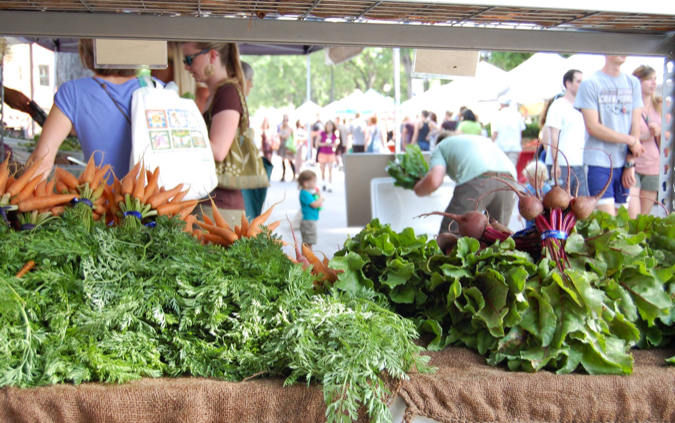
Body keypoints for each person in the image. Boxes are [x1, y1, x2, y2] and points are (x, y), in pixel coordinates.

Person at [28, 39, 163, 179]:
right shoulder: (158, 89)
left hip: (99, 199)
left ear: (87, 52)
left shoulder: (72, 93)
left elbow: (42, 161)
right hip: (155, 199)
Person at [181, 41, 247, 226]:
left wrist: (182, 126)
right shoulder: (216, 93)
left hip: (220, 207)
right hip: (211, 203)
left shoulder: (227, 92)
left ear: (212, 56)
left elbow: (218, 150)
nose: (186, 67)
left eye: (189, 59)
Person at [574, 55, 644, 216]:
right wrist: (630, 140)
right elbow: (592, 127)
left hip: (624, 163)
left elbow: (636, 124)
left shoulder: (633, 83)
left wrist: (630, 163)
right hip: (598, 162)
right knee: (607, 223)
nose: (622, 51)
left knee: (623, 223)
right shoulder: (590, 83)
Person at [414, 134, 517, 235]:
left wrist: (418, 189)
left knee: (452, 233)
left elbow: (434, 181)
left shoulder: (440, 147)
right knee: (498, 237)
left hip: (479, 178)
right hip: (509, 180)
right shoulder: (473, 139)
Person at [544, 69, 588, 197]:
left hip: (578, 165)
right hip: (561, 166)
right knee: (559, 207)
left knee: (580, 206)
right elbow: (553, 136)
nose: (582, 85)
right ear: (568, 83)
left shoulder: (582, 107)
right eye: (578, 81)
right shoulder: (558, 106)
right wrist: (555, 164)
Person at [628, 65, 662, 218]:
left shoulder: (660, 106)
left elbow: (668, 138)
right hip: (633, 164)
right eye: (649, 79)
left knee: (644, 217)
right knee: (632, 216)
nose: (653, 83)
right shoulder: (629, 106)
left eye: (655, 79)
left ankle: (642, 242)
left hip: (653, 165)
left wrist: (660, 131)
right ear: (638, 82)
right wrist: (642, 135)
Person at [491, 96, 526, 167]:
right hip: (514, 147)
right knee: (512, 170)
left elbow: (495, 132)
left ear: (500, 104)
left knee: (502, 170)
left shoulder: (498, 115)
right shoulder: (517, 114)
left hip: (501, 148)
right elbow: (521, 131)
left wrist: (491, 143)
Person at [298, 170, 324, 250]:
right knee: (308, 243)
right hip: (309, 222)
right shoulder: (305, 193)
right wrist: (320, 198)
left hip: (309, 221)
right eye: (314, 182)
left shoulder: (307, 193)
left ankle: (307, 258)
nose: (315, 184)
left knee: (308, 242)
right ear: (306, 183)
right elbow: (314, 205)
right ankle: (308, 259)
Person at [522, 161, 551, 229]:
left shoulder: (547, 189)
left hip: (543, 218)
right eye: (528, 179)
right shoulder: (528, 188)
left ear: (539, 178)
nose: (528, 181)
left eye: (531, 179)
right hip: (529, 217)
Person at [317, 120, 339, 192]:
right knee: (322, 170)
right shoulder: (322, 134)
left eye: (331, 125)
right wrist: (324, 144)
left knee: (330, 169)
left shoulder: (334, 135)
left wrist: (331, 145)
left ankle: (329, 184)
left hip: (330, 153)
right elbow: (317, 143)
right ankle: (323, 182)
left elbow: (336, 144)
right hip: (323, 153)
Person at [276, 114, 296, 181]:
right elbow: (280, 136)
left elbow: (286, 136)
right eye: (284, 120)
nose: (285, 122)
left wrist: (282, 135)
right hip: (283, 145)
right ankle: (283, 176)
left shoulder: (289, 128)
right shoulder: (282, 128)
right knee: (283, 161)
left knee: (290, 160)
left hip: (288, 146)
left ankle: (294, 175)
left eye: (286, 120)